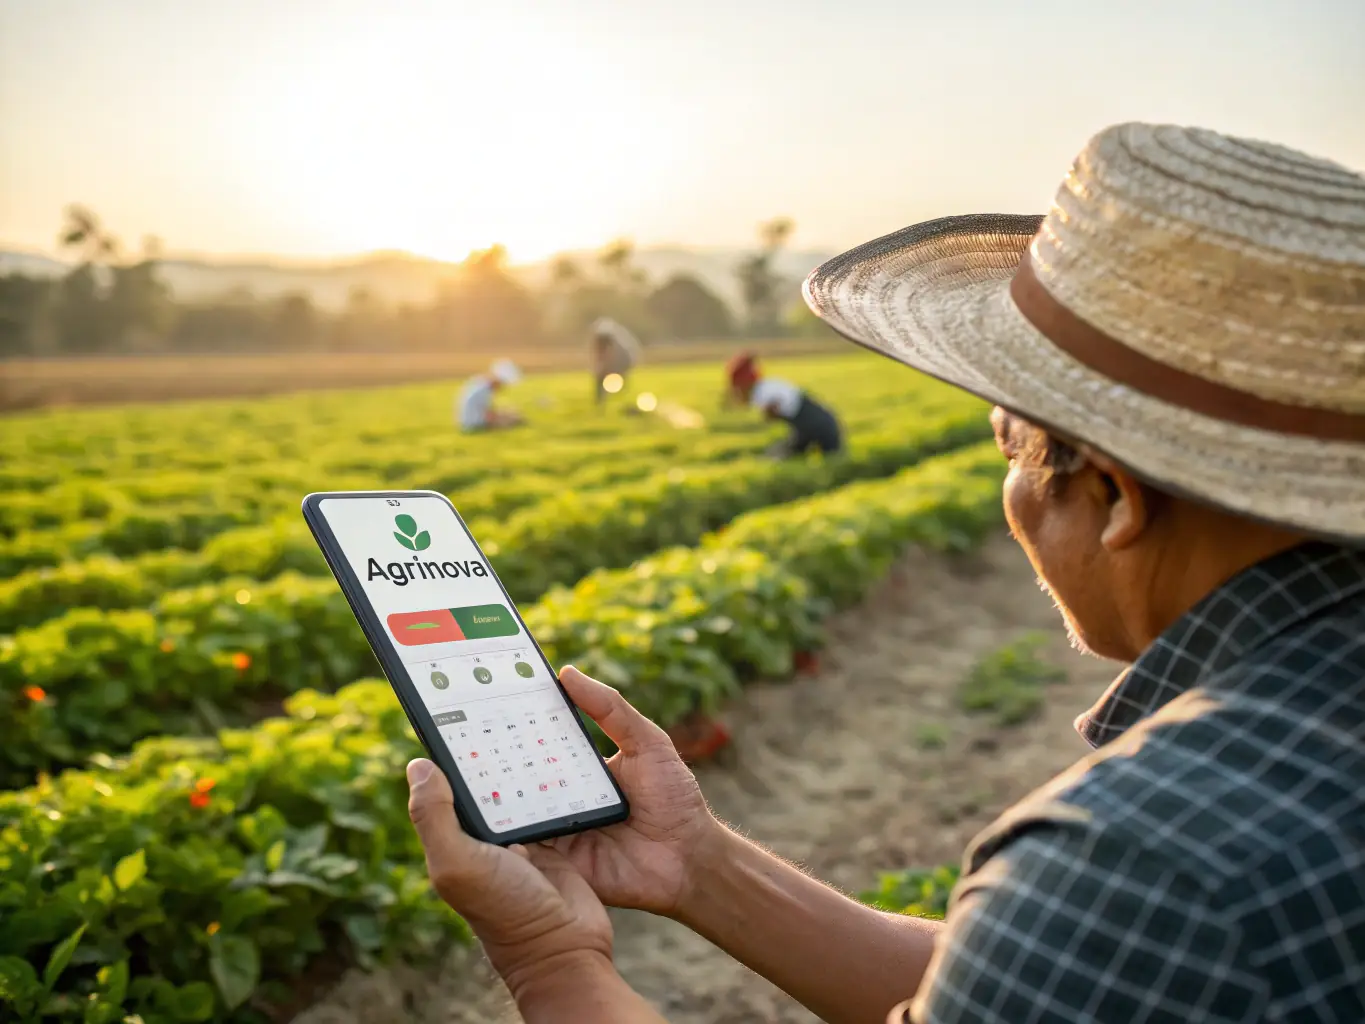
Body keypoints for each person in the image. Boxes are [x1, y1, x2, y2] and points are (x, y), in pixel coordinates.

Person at [406, 121, 1365, 1023]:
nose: (1009, 489)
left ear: (1114, 498)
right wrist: (694, 863)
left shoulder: (1150, 862)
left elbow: (1095, 936)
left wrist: (545, 954)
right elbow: (1042, 981)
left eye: (1007, 442)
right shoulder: (1224, 837)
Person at [726, 350, 843, 458]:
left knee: (830, 460)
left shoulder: (763, 392)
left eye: (738, 389)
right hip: (810, 426)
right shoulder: (765, 387)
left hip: (820, 427)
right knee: (785, 453)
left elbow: (773, 410)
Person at [455, 358, 523, 432]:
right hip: (474, 425)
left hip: (466, 422)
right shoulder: (483, 390)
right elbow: (489, 416)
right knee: (512, 418)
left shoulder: (478, 382)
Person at [590, 316, 642, 407]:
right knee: (604, 380)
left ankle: (604, 400)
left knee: (602, 379)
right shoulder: (620, 340)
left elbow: (607, 358)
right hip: (623, 363)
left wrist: (602, 369)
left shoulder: (615, 345)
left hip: (620, 363)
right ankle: (611, 399)